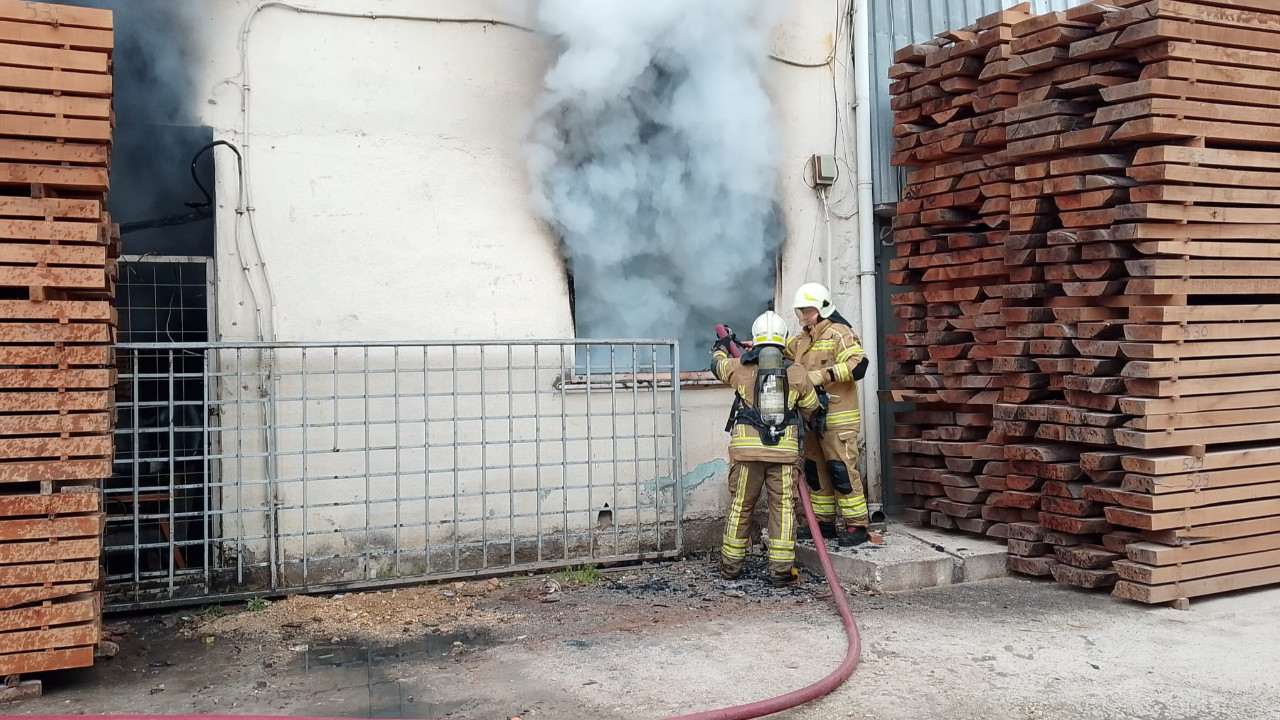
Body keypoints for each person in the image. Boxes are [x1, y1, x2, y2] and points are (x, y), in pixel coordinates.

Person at [711, 310, 821, 587]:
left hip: (747, 455)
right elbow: (812, 411)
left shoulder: (739, 368)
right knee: (782, 508)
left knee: (741, 506)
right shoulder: (797, 373)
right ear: (783, 340)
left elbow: (717, 366)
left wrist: (721, 346)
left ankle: (730, 567)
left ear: (756, 338)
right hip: (783, 454)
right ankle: (781, 571)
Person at [787, 282, 872, 547]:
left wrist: (823, 375)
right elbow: (781, 353)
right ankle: (824, 524)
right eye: (801, 310)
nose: (803, 315)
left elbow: (859, 364)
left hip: (838, 418)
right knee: (815, 473)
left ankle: (857, 525)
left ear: (822, 308)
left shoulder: (839, 333)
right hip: (812, 418)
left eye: (807, 310)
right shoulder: (801, 340)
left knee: (841, 471)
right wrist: (759, 345)